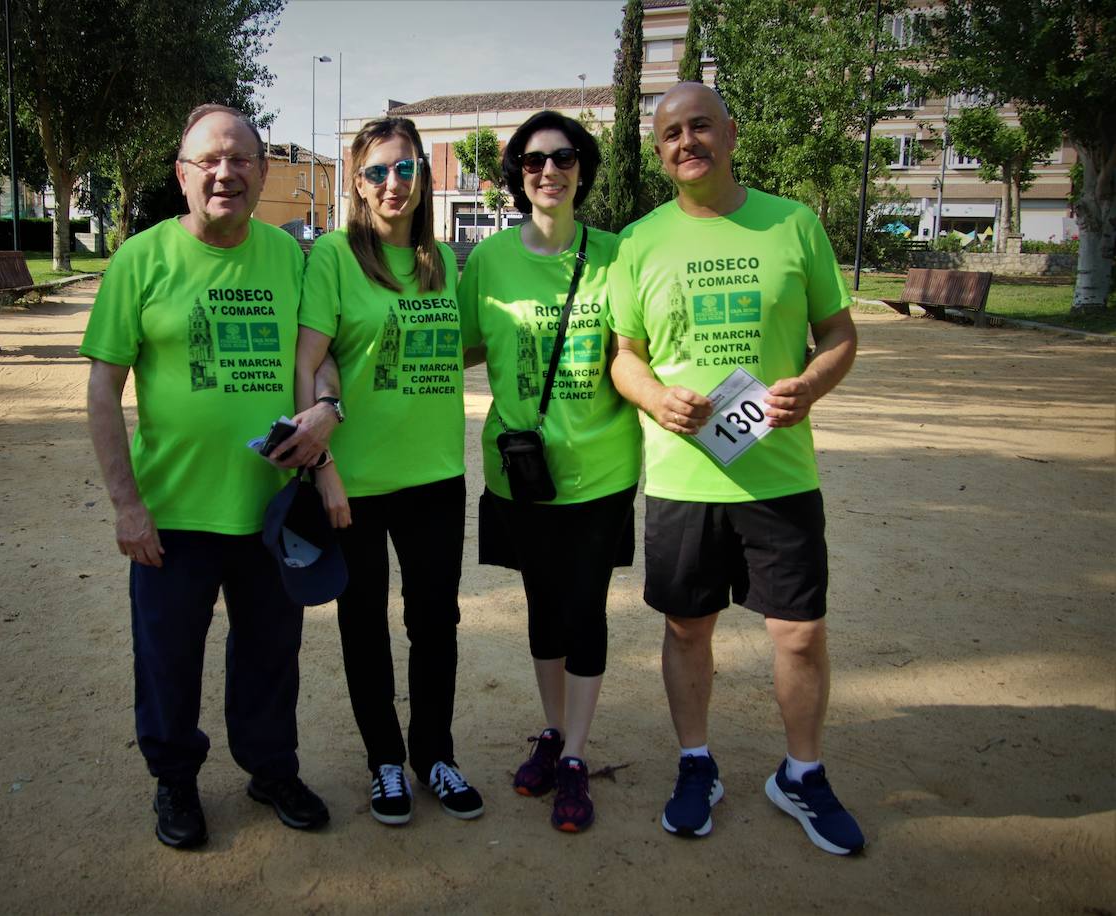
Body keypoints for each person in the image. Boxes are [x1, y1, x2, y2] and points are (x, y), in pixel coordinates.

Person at [608, 82, 865, 855]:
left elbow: (840, 334)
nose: (687, 142)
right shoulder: (638, 242)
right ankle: (696, 764)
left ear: (731, 132)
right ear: (659, 153)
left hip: (779, 472)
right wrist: (654, 397)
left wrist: (810, 385)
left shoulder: (793, 223)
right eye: (670, 135)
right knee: (688, 629)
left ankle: (802, 774)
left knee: (799, 633)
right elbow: (625, 357)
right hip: (686, 478)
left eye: (701, 127)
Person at [82, 104, 330, 849]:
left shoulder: (289, 257)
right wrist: (127, 505)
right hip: (174, 515)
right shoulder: (141, 259)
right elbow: (102, 391)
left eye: (241, 160)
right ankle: (175, 780)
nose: (226, 172)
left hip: (268, 510)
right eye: (209, 161)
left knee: (269, 655)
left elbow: (313, 360)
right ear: (184, 175)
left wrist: (324, 412)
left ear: (260, 173)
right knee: (167, 658)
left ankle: (269, 768)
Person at [293, 117, 483, 826]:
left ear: (424, 177)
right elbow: (306, 366)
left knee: (437, 622)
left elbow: (450, 351)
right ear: (357, 181)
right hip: (357, 483)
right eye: (376, 172)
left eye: (404, 169)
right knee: (363, 622)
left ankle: (435, 753)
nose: (392, 184)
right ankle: (384, 762)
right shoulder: (336, 258)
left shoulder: (442, 262)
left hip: (435, 476)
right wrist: (326, 471)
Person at [457, 111, 641, 833]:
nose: (549, 171)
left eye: (564, 158)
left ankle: (576, 755)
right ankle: (554, 730)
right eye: (533, 162)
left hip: (599, 470)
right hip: (520, 473)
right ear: (516, 176)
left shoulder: (617, 256)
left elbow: (638, 350)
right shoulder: (491, 261)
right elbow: (460, 348)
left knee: (585, 608)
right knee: (542, 607)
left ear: (583, 169)